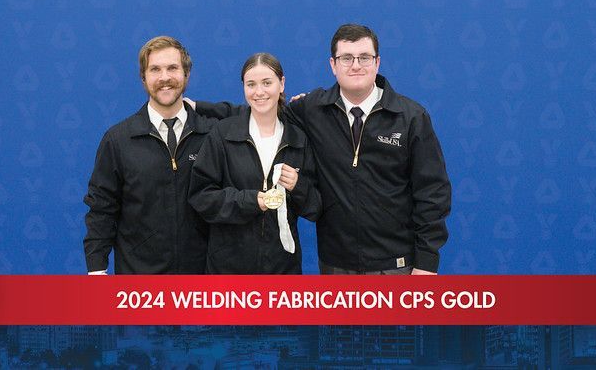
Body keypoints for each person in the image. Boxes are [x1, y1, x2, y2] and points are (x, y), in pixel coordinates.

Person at [195, 24, 451, 275]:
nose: (356, 65)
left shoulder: (411, 117)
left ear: (377, 62)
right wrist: (195, 107)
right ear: (333, 65)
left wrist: (426, 263)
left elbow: (433, 192)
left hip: (396, 264)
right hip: (336, 264)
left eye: (364, 57)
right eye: (346, 58)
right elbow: (260, 108)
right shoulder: (313, 109)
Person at [83, 36, 216, 274]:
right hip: (139, 286)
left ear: (186, 74)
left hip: (203, 284)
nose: (164, 77)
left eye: (172, 68)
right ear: (143, 78)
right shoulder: (118, 140)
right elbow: (102, 210)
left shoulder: (213, 135)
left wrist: (297, 108)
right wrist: (96, 270)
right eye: (155, 69)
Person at [188, 53, 321, 274]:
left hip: (282, 270)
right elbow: (201, 197)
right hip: (228, 271)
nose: (259, 92)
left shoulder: (298, 139)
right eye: (251, 84)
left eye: (267, 83)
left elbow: (315, 208)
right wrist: (249, 201)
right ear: (243, 88)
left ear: (282, 84)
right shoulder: (223, 134)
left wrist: (298, 186)